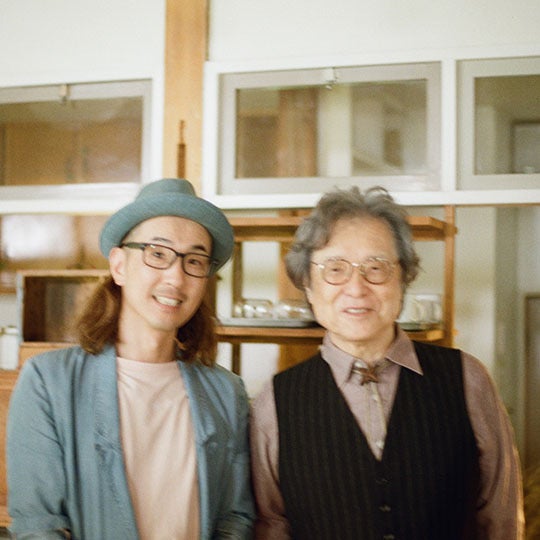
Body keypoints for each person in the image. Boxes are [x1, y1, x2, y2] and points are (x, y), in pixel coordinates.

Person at [250, 186, 524, 539]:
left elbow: (500, 518)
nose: (356, 288)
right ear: (308, 285)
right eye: (335, 268)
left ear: (403, 278)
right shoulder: (274, 402)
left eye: (376, 267)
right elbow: (271, 526)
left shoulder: (467, 379)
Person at [7, 178, 255, 539]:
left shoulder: (226, 392)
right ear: (119, 265)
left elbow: (235, 517)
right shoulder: (48, 382)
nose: (176, 277)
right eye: (158, 253)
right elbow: (38, 525)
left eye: (195, 260)